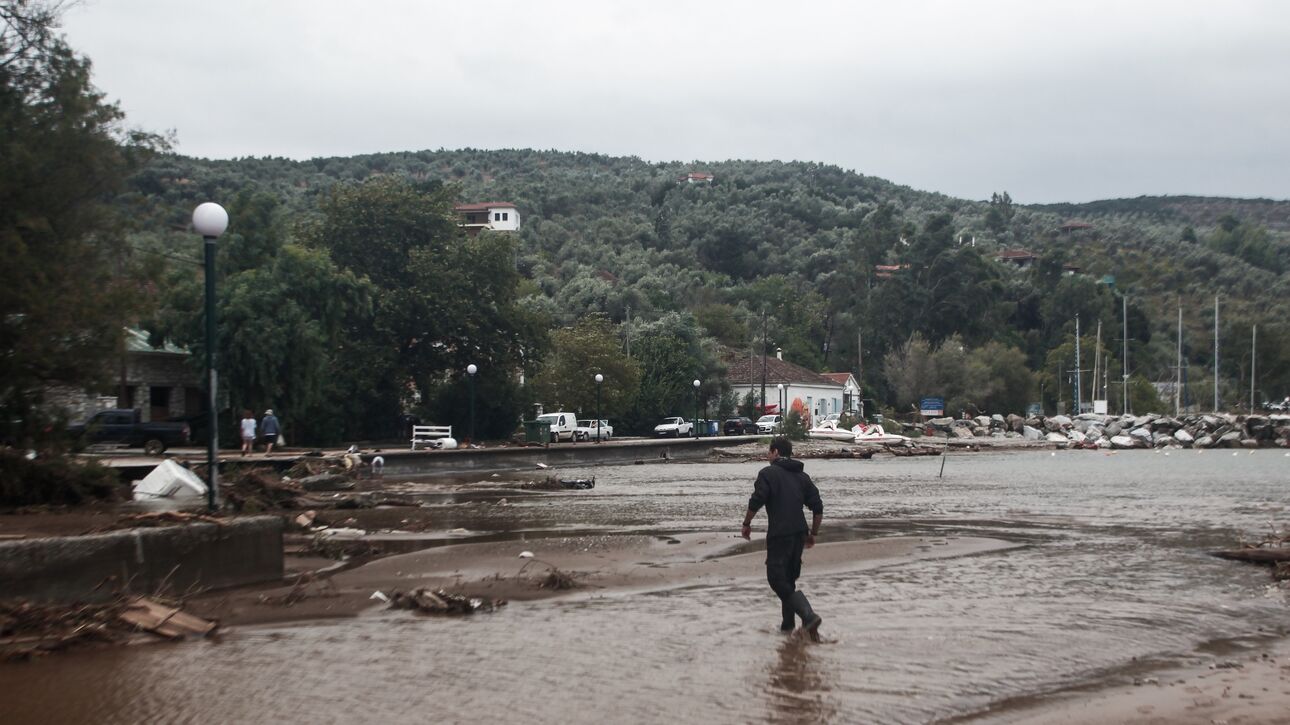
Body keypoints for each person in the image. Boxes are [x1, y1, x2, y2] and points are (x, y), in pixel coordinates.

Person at [741, 437, 824, 639]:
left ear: (776, 452)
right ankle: (788, 627)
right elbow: (818, 507)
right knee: (788, 581)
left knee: (776, 579)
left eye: (769, 452)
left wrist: (746, 523)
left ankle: (808, 615)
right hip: (799, 534)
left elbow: (757, 499)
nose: (768, 456)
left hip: (780, 533)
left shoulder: (768, 474)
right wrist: (813, 533)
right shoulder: (802, 477)